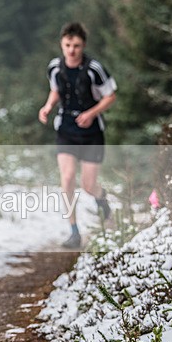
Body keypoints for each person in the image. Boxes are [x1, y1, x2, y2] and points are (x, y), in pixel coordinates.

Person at [38, 22, 116, 249]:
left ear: (83, 46)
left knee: (88, 185)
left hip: (91, 132)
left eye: (77, 46)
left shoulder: (94, 69)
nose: (72, 50)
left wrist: (91, 113)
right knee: (68, 178)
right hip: (66, 129)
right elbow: (55, 90)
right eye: (68, 45)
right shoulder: (54, 67)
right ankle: (73, 231)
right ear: (62, 44)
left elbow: (110, 96)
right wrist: (48, 106)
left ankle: (103, 202)